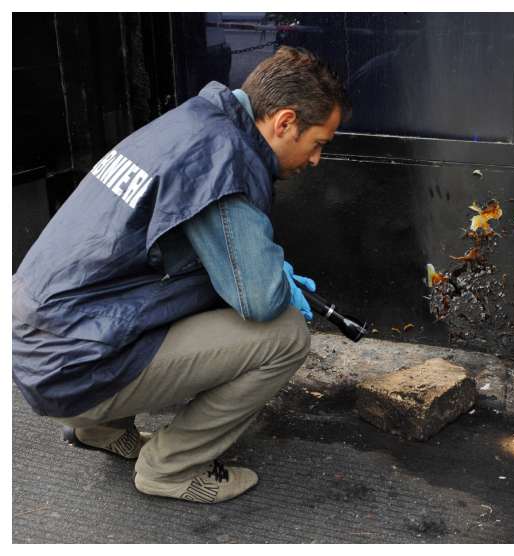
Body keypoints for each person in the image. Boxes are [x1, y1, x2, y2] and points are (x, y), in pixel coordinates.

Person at [12, 46, 350, 503]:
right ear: (285, 121)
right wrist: (270, 274)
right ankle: (170, 468)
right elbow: (262, 299)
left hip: (36, 340)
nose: (315, 161)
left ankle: (99, 428)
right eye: (319, 144)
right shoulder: (223, 162)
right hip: (73, 366)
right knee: (285, 335)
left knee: (179, 294)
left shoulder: (190, 123)